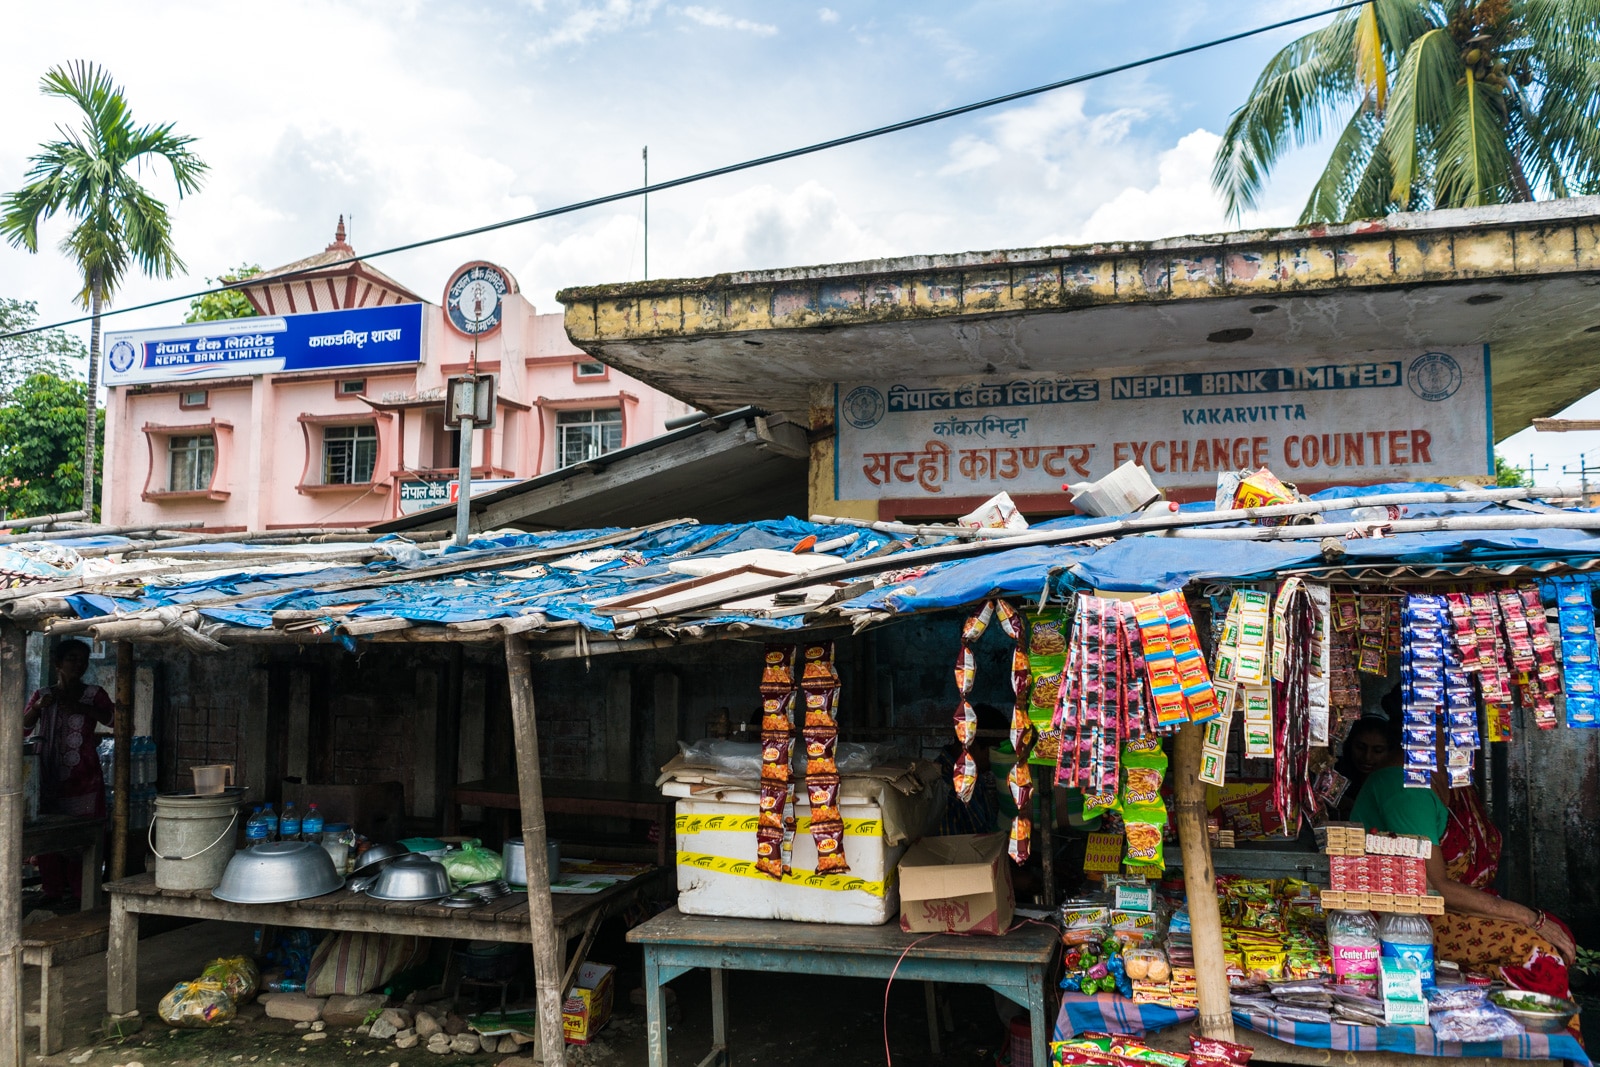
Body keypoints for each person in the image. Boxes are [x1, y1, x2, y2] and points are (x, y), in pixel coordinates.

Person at [1349, 727, 1577, 977]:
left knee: (1557, 934)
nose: (1468, 738)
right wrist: (1531, 919)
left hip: (1450, 905)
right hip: (1408, 918)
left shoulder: (1452, 781)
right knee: (1537, 952)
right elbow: (1436, 888)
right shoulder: (1404, 786)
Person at [22, 639, 115, 902]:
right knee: (49, 840)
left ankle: (81, 895)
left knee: (83, 840)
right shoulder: (42, 695)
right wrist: (38, 709)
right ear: (58, 664)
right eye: (72, 659)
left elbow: (117, 721)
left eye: (82, 660)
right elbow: (23, 728)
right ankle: (52, 892)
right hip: (49, 779)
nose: (78, 664)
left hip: (84, 780)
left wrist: (84, 709)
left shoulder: (93, 694)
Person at [1332, 716, 1399, 820]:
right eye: (1360, 747)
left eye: (1377, 751)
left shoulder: (1393, 784)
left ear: (1390, 752)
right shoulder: (1333, 774)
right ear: (1349, 745)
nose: (1367, 757)